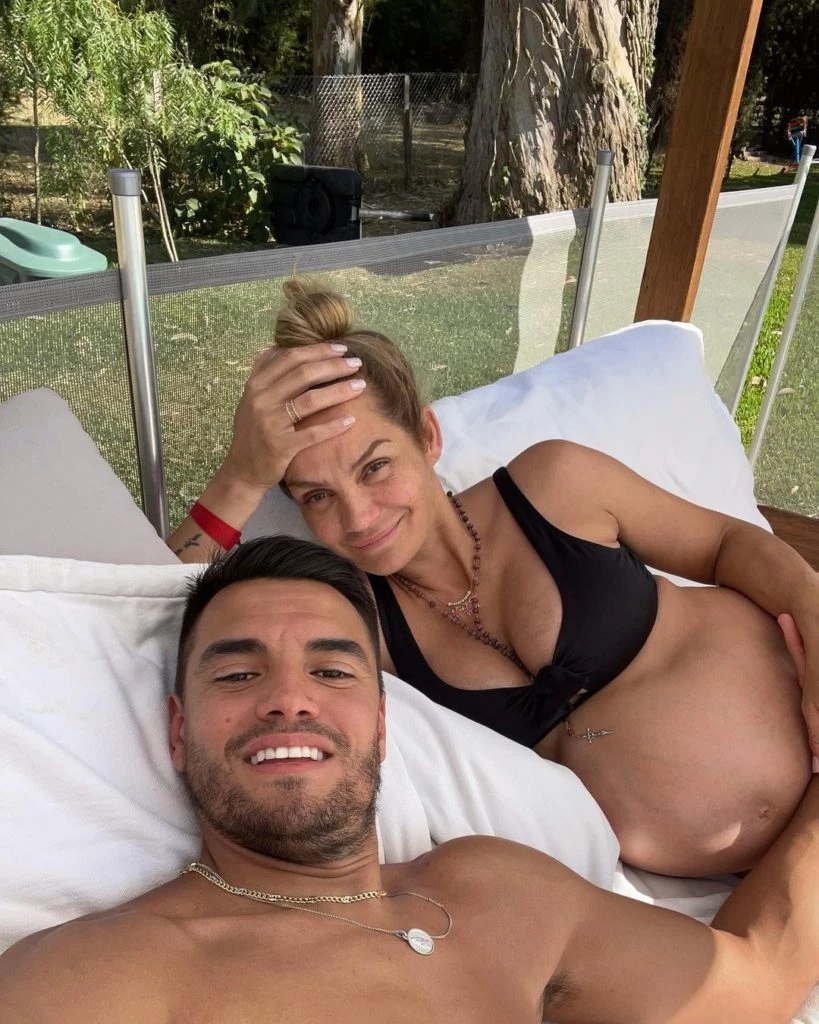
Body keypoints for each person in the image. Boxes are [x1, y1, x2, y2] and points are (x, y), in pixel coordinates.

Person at [3, 535, 819, 1024]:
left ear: (383, 724)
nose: (289, 699)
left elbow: (756, 975)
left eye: (331, 670)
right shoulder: (106, 974)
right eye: (238, 674)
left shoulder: (501, 894)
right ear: (180, 734)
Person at [169, 282, 819, 877]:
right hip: (769, 881)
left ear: (427, 436)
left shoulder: (553, 485)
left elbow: (727, 543)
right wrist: (241, 478)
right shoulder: (358, 621)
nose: (359, 517)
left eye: (375, 467)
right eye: (317, 497)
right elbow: (145, 617)